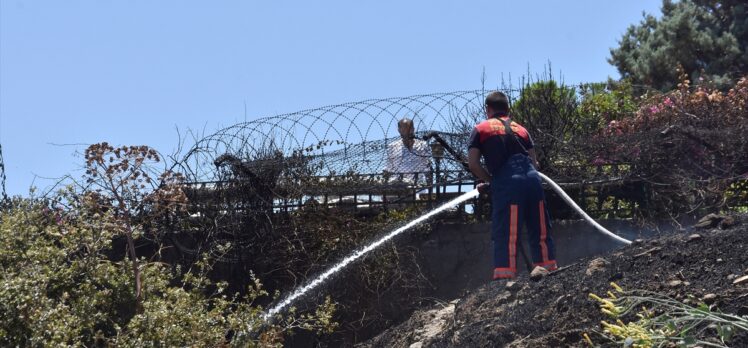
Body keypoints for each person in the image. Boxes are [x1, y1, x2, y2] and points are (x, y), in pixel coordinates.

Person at [467, 91, 557, 281]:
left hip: (508, 185)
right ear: (508, 109)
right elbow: (535, 163)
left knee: (507, 232)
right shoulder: (522, 129)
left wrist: (492, 181)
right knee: (539, 228)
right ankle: (549, 270)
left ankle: (505, 279)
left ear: (488, 109)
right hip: (533, 181)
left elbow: (473, 164)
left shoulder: (481, 129)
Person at [384, 118, 431, 183]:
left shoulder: (422, 145)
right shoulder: (392, 146)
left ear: (413, 129)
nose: (408, 131)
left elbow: (427, 167)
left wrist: (429, 188)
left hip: (417, 187)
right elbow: (388, 168)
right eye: (405, 129)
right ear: (399, 130)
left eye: (410, 128)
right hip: (397, 186)